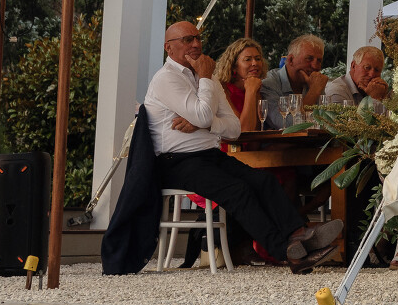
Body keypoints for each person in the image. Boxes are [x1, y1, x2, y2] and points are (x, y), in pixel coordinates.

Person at [144, 22, 340, 269]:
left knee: (264, 180)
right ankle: (287, 252)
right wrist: (204, 92)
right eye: (187, 39)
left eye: (197, 38)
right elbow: (204, 115)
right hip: (175, 161)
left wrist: (204, 123)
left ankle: (299, 234)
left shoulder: (209, 78)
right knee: (238, 190)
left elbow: (234, 129)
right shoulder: (167, 78)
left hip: (209, 155)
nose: (195, 44)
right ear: (169, 48)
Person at [210, 37, 269, 136]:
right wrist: (250, 91)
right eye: (248, 59)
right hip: (227, 144)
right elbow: (243, 132)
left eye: (258, 59)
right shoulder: (222, 88)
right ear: (234, 66)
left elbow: (256, 133)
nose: (255, 63)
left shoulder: (257, 87)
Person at [261, 34, 330, 118]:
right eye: (309, 59)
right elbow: (285, 122)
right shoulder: (269, 83)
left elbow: (327, 120)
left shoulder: (314, 81)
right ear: (291, 60)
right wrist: (313, 92)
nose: (315, 66)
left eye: (319, 60)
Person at [322, 45, 390, 114]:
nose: (372, 74)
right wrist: (374, 99)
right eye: (367, 68)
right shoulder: (337, 90)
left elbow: (389, 119)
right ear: (353, 66)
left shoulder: (376, 90)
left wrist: (384, 98)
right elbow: (347, 120)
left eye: (377, 70)